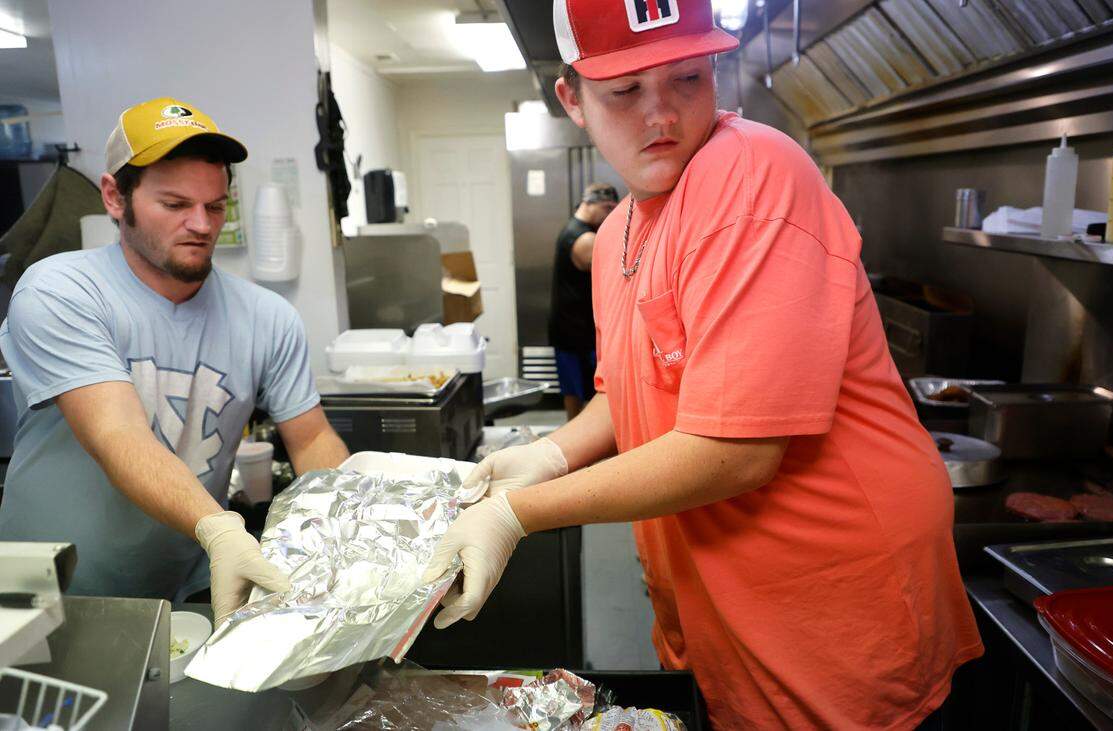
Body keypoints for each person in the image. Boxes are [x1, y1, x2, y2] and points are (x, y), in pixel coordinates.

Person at [422, 1, 983, 728]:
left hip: (838, 603)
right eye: (625, 91)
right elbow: (633, 391)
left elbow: (737, 450)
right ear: (573, 101)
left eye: (688, 77)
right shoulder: (622, 230)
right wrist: (550, 455)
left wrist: (515, 514)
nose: (662, 114)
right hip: (731, 596)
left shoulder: (750, 172)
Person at [0, 97, 350, 626]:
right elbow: (119, 436)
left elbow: (312, 439)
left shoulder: (267, 317)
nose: (201, 224)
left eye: (215, 206)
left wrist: (354, 529)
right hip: (50, 592)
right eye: (174, 204)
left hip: (184, 587)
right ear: (116, 196)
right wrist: (222, 528)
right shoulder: (61, 291)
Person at [548, 182, 619, 418]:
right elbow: (617, 276)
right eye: (607, 207)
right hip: (577, 330)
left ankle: (579, 444)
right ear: (589, 203)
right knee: (586, 393)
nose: (609, 213)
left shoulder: (572, 229)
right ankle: (586, 447)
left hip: (569, 325)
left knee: (574, 391)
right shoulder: (585, 238)